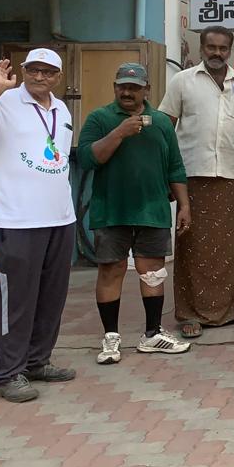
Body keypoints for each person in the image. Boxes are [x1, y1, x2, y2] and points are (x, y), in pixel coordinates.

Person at [0, 50, 77, 402]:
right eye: (33, 70)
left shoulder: (62, 109)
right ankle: (8, 374)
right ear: (23, 71)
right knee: (16, 301)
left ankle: (37, 362)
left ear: (58, 77)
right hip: (19, 221)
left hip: (60, 218)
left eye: (48, 72)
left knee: (51, 298)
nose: (40, 77)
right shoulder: (4, 102)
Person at [78, 62, 192, 364]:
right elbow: (88, 159)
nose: (127, 92)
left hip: (152, 209)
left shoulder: (161, 122)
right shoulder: (99, 118)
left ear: (147, 90)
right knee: (111, 270)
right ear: (114, 87)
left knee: (153, 272)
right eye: (122, 86)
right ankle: (110, 338)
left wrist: (184, 205)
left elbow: (175, 167)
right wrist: (120, 132)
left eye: (134, 87)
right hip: (111, 210)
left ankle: (152, 334)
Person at [159, 25, 234, 339]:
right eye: (211, 47)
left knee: (232, 246)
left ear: (230, 50)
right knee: (191, 245)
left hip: (231, 175)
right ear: (201, 48)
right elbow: (166, 127)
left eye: (223, 48)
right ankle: (190, 314)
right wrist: (165, 174)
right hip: (191, 175)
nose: (217, 53)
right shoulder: (182, 81)